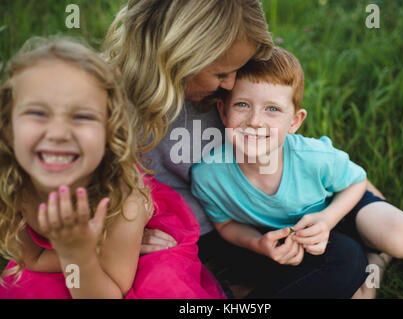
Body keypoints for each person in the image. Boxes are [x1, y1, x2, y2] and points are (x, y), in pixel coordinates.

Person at [104, 0, 371, 298]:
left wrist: (373, 202)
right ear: (180, 54)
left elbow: (306, 156)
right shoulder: (109, 102)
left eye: (236, 71)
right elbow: (94, 183)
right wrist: (121, 234)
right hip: (177, 237)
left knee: (344, 257)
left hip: (245, 225)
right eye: (221, 74)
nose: (231, 84)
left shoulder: (227, 97)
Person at [190, 46, 403, 298]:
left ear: (295, 121)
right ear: (223, 111)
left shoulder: (313, 157)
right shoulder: (208, 176)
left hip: (342, 209)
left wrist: (327, 218)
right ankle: (378, 257)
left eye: (273, 109)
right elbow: (225, 224)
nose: (255, 120)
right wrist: (257, 244)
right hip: (304, 240)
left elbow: (356, 182)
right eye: (243, 104)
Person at [0, 37, 225, 299]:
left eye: (82, 116)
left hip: (120, 273)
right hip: (68, 258)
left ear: (109, 133)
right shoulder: (11, 182)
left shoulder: (126, 199)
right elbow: (34, 258)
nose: (58, 133)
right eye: (37, 113)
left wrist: (80, 256)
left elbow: (112, 292)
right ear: (8, 128)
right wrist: (77, 253)